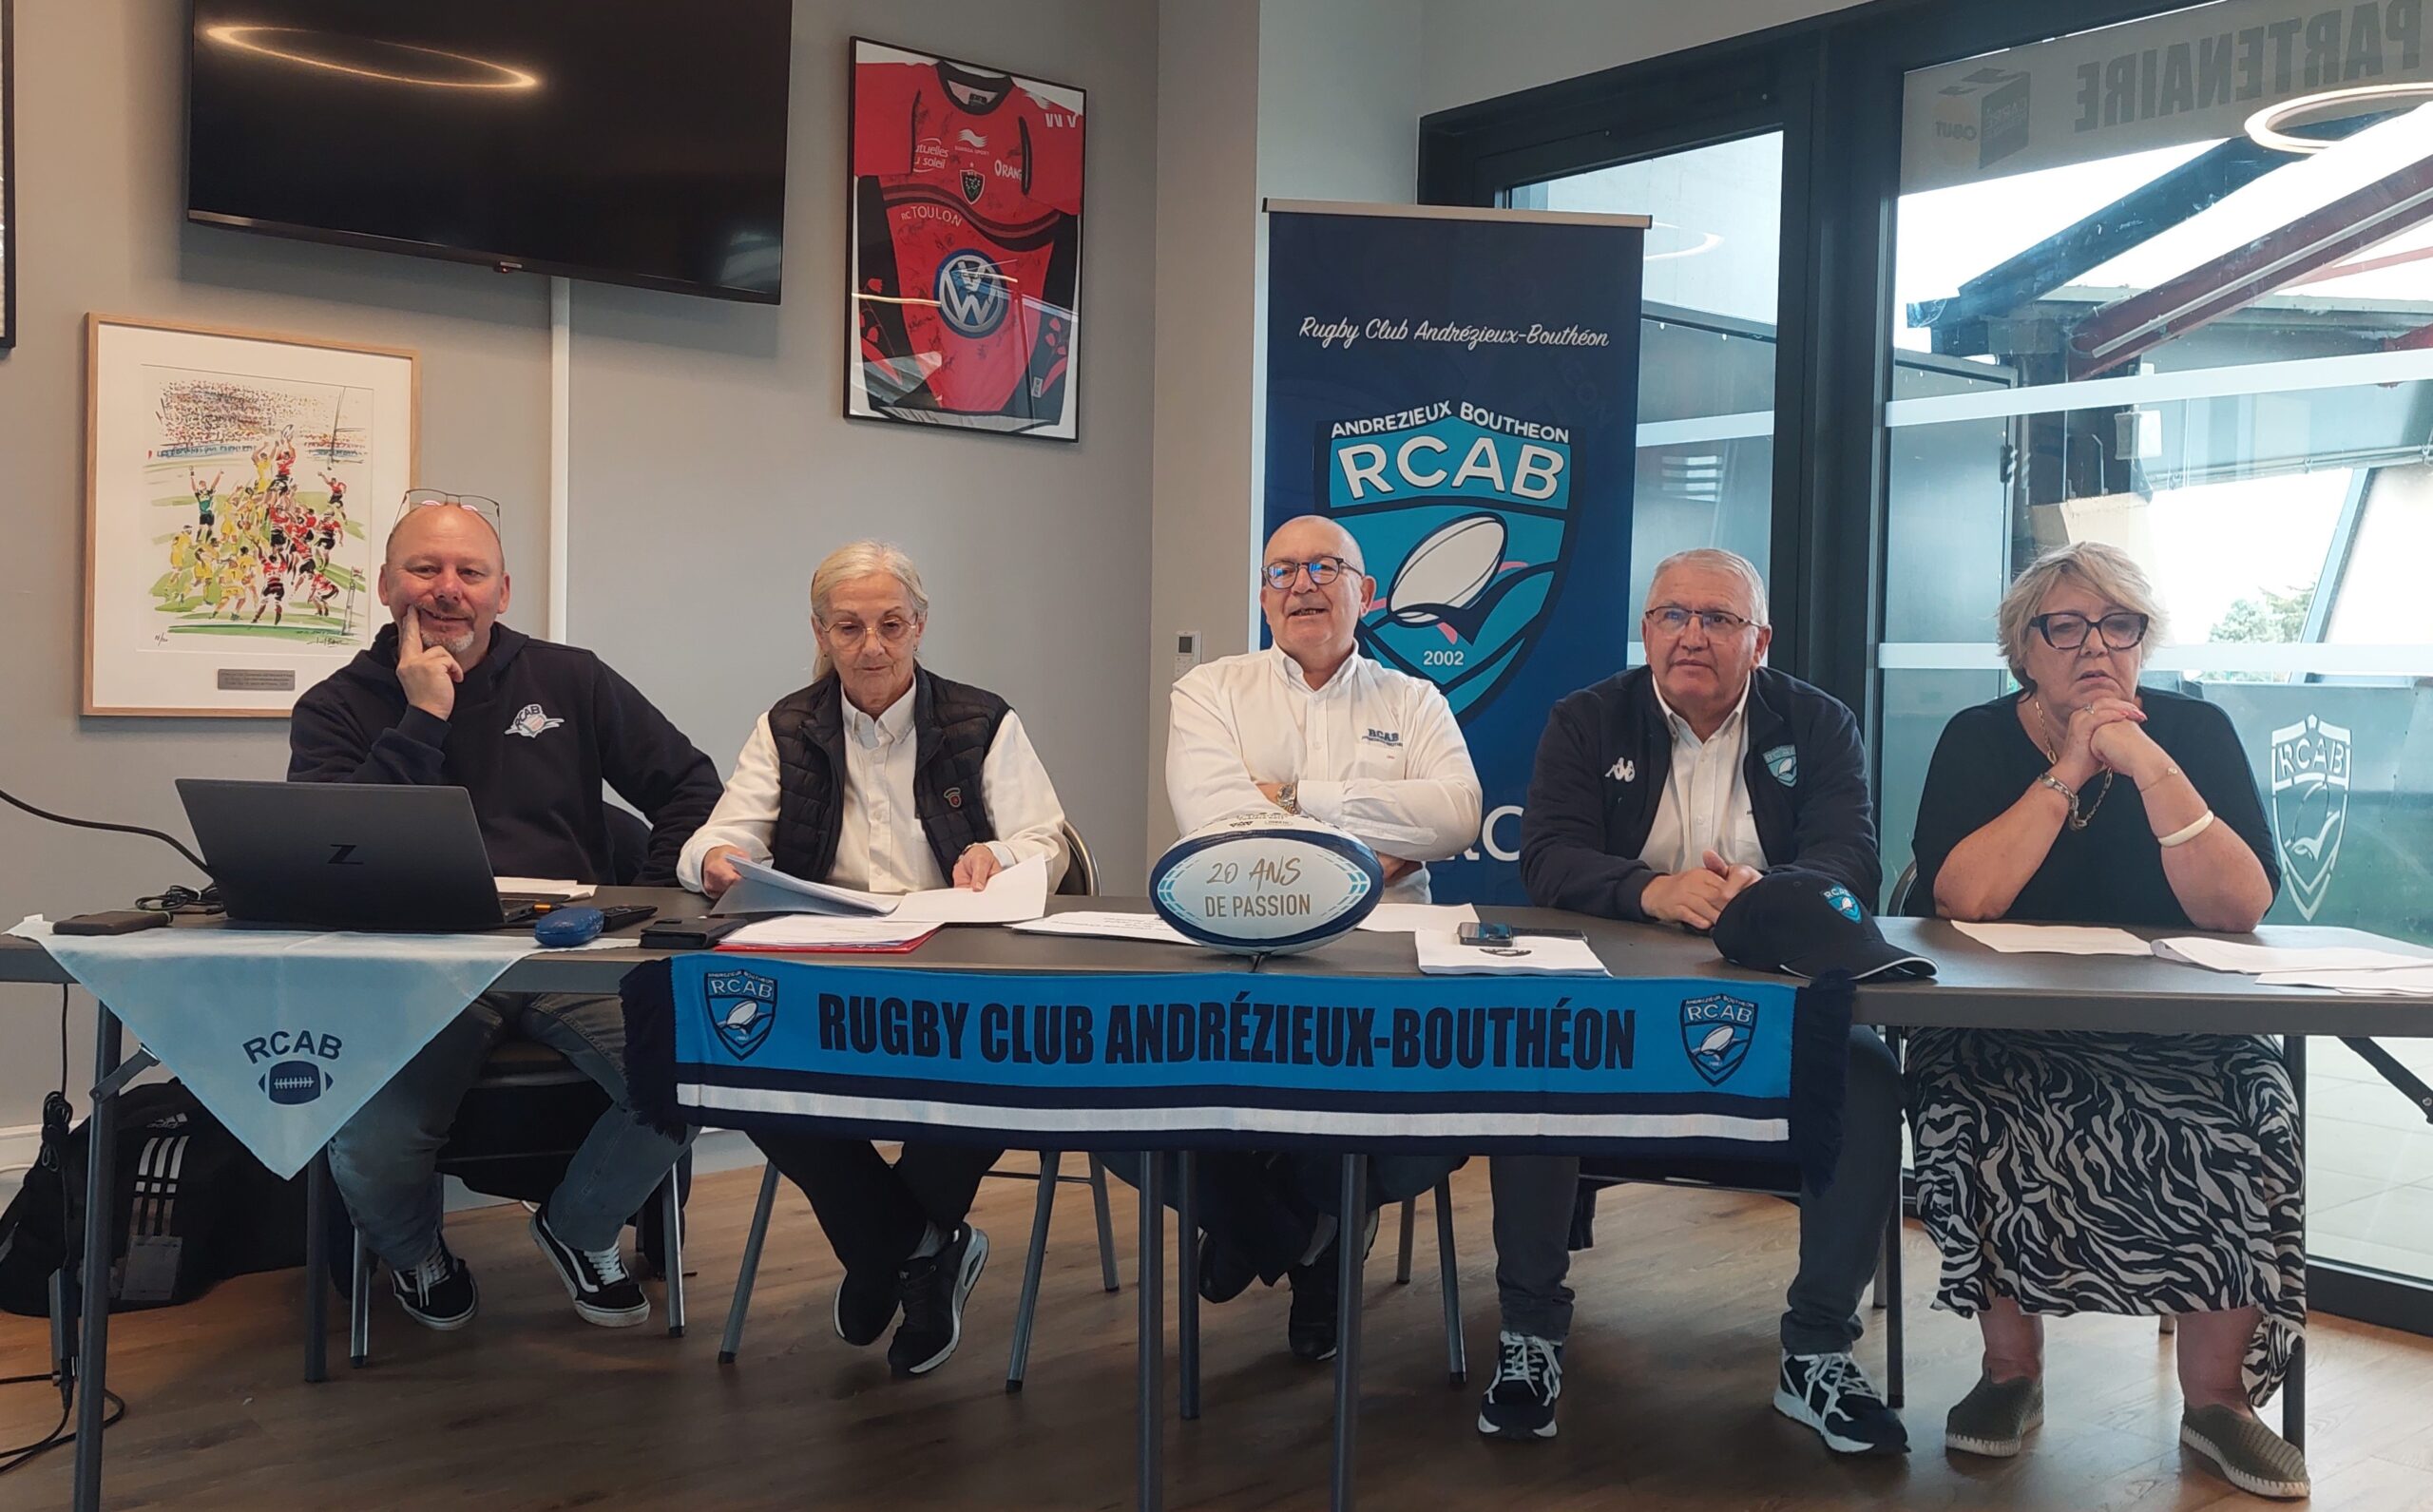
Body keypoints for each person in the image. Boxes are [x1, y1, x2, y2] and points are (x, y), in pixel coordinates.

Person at [1906, 541, 2305, 1499]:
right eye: (2067, 626)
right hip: (2004, 1025)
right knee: (1967, 1099)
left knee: (2252, 1107)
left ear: (2141, 640)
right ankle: (2010, 1371)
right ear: (2023, 648)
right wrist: (2070, 769)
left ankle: (2218, 1403)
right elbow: (1964, 896)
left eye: (2118, 625)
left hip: (2178, 1028)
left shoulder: (2194, 731)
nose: (2095, 646)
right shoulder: (1975, 737)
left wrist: (2147, 763)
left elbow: (2238, 906)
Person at [1490, 547, 1906, 1454]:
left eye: (1718, 618)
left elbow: (1852, 861)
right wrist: (1654, 890)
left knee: (1868, 1076)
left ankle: (1817, 1352)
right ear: (1645, 631)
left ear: (1760, 641)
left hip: (1781, 1000)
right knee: (1536, 1054)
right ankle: (1530, 1333)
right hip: (1613, 1005)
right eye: (1672, 615)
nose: (1691, 635)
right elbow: (1548, 858)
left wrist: (1769, 895)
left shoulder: (1819, 723)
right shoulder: (1586, 719)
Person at [289, 495, 722, 1335]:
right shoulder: (337, 707)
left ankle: (578, 1225)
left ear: (503, 590)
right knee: (369, 1138)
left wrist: (644, 900)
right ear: (385, 585)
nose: (448, 589)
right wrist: (422, 717)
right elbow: (333, 852)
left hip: (569, 951)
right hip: (422, 965)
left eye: (470, 571)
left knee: (696, 1070)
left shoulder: (570, 678)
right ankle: (418, 1255)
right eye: (425, 569)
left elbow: (690, 786)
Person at [681, 540, 1070, 1379]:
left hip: (955, 966)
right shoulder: (787, 725)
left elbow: (1049, 840)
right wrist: (714, 859)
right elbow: (718, 838)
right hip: (827, 966)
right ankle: (915, 1249)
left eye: (891, 625)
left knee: (993, 1057)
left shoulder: (981, 719)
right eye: (850, 627)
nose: (872, 647)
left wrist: (1002, 855)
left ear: (920, 626)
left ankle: (879, 1257)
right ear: (820, 632)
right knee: (741, 1057)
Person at [1156, 512, 1482, 1360]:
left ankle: (1269, 1227)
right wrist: (1371, 855)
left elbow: (1456, 814)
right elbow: (1215, 821)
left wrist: (1301, 796)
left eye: (1325, 567)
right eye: (1282, 571)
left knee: (1370, 1089)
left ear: (1365, 592)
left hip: (1386, 956)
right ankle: (1306, 1237)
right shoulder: (1209, 691)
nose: (1301, 584)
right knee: (1154, 1093)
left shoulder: (1414, 699)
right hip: (1240, 950)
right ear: (1264, 596)